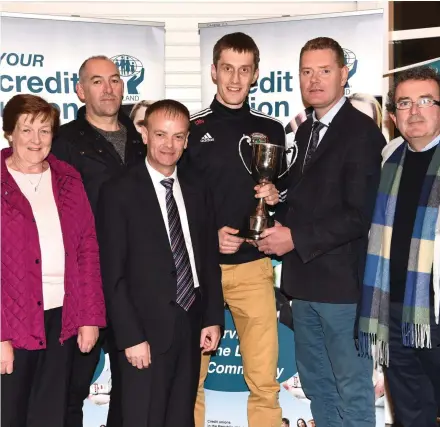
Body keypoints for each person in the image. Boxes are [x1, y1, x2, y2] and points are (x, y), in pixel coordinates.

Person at [257, 37, 385, 427]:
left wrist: (295, 237)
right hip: (304, 282)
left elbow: (359, 215)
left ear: (344, 74)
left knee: (351, 385)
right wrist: (280, 196)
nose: (314, 80)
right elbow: (314, 197)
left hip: (342, 287)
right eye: (307, 72)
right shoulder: (305, 131)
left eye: (324, 71)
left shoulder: (362, 133)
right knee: (317, 384)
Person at [97, 99, 225, 427]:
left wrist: (212, 317)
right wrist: (129, 337)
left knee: (180, 418)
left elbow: (207, 259)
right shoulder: (118, 191)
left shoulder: (197, 189)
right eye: (161, 135)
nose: (169, 145)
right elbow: (112, 274)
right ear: (145, 135)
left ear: (186, 140)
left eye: (178, 136)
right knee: (140, 418)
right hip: (142, 331)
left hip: (189, 323)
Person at [180, 32, 285, 427]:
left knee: (263, 381)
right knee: (191, 379)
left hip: (254, 268)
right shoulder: (190, 129)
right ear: (213, 71)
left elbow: (287, 195)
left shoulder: (272, 130)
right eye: (228, 69)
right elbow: (174, 204)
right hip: (199, 272)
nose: (235, 79)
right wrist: (208, 239)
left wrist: (277, 196)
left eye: (244, 70)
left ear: (256, 74)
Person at [358, 66, 440, 427]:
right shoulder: (389, 158)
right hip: (396, 317)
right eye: (404, 103)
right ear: (394, 115)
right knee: (412, 416)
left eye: (425, 101)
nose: (414, 111)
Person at [1, 94, 106, 427]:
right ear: (9, 133)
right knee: (9, 414)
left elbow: (87, 250)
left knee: (51, 415)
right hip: (11, 320)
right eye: (27, 130)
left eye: (44, 131)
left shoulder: (68, 179)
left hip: (61, 318)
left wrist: (89, 317)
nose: (36, 140)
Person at [52, 55, 146, 427]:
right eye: (96, 81)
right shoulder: (63, 143)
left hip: (135, 282)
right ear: (80, 90)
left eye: (114, 79)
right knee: (71, 387)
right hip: (85, 283)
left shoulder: (143, 136)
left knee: (131, 390)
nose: (108, 88)